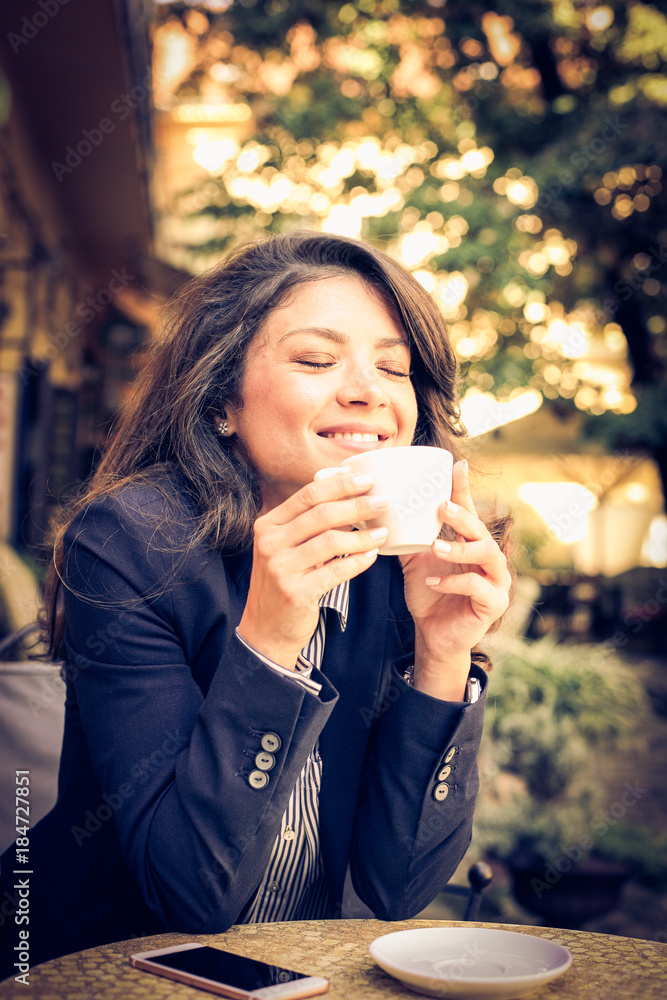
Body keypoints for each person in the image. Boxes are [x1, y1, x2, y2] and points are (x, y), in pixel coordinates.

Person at [0, 231, 512, 978]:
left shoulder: (402, 569)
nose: (367, 390)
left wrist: (442, 651)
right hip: (100, 966)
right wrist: (270, 643)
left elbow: (398, 885)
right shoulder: (131, 542)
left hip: (283, 976)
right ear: (220, 402)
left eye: (393, 367)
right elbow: (187, 896)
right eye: (315, 359)